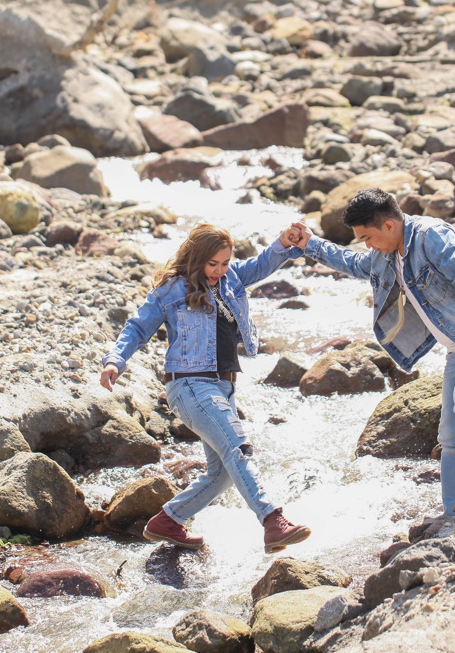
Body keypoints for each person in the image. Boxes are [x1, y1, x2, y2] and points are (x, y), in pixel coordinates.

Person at [287, 188, 455, 518]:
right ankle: (453, 511)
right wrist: (309, 244)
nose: (367, 246)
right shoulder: (387, 252)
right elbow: (354, 263)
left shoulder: (432, 236)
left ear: (388, 225)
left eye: (368, 237)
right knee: (451, 435)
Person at [100, 224, 311, 553]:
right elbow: (137, 327)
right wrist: (116, 359)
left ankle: (169, 520)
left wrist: (284, 244)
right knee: (238, 450)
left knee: (222, 474)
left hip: (222, 387)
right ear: (196, 259)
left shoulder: (231, 279)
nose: (219, 270)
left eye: (225, 263)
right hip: (190, 384)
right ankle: (272, 520)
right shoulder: (172, 290)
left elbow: (264, 263)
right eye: (212, 264)